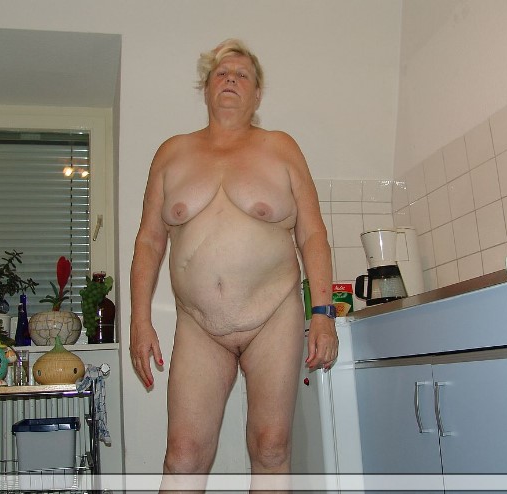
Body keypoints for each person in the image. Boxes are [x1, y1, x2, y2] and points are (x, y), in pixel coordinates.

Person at [129, 38, 338, 492]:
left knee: (271, 447)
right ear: (206, 88)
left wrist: (323, 314)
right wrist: (140, 320)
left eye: (242, 74)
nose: (230, 79)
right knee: (182, 454)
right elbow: (148, 240)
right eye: (221, 73)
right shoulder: (171, 153)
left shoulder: (281, 148)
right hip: (199, 324)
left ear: (257, 94)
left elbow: (313, 234)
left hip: (274, 315)